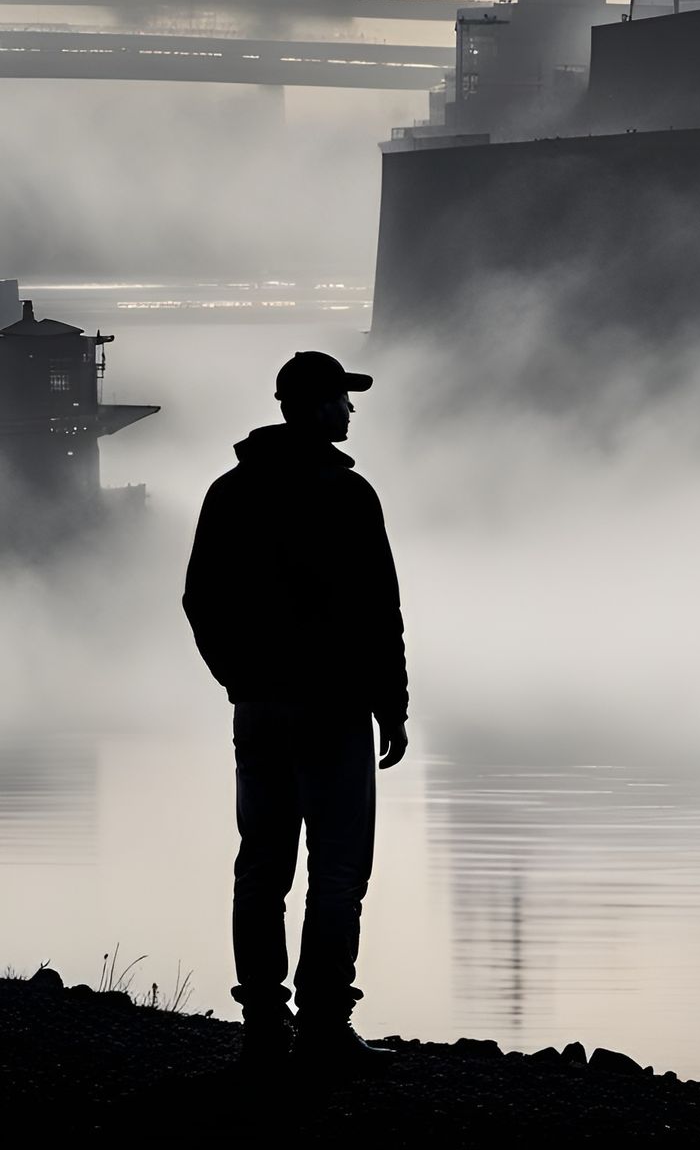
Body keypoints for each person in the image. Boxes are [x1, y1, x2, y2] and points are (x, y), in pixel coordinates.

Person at [183, 350, 409, 1073]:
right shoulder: (350, 496)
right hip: (334, 706)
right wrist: (392, 706)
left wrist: (237, 679)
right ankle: (322, 1025)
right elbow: (381, 613)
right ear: (314, 407)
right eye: (343, 399)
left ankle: (261, 1025)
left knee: (262, 866)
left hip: (258, 708)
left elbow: (199, 600)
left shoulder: (229, 492)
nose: (351, 410)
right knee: (338, 870)